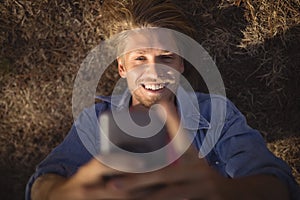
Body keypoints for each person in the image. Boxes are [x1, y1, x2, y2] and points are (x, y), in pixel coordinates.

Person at [26, 0, 299, 199]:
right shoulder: (95, 121)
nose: (154, 70)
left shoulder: (217, 113)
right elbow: (46, 177)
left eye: (166, 57)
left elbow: (277, 182)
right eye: (140, 59)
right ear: (122, 69)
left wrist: (227, 191)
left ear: (181, 64)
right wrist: (59, 193)